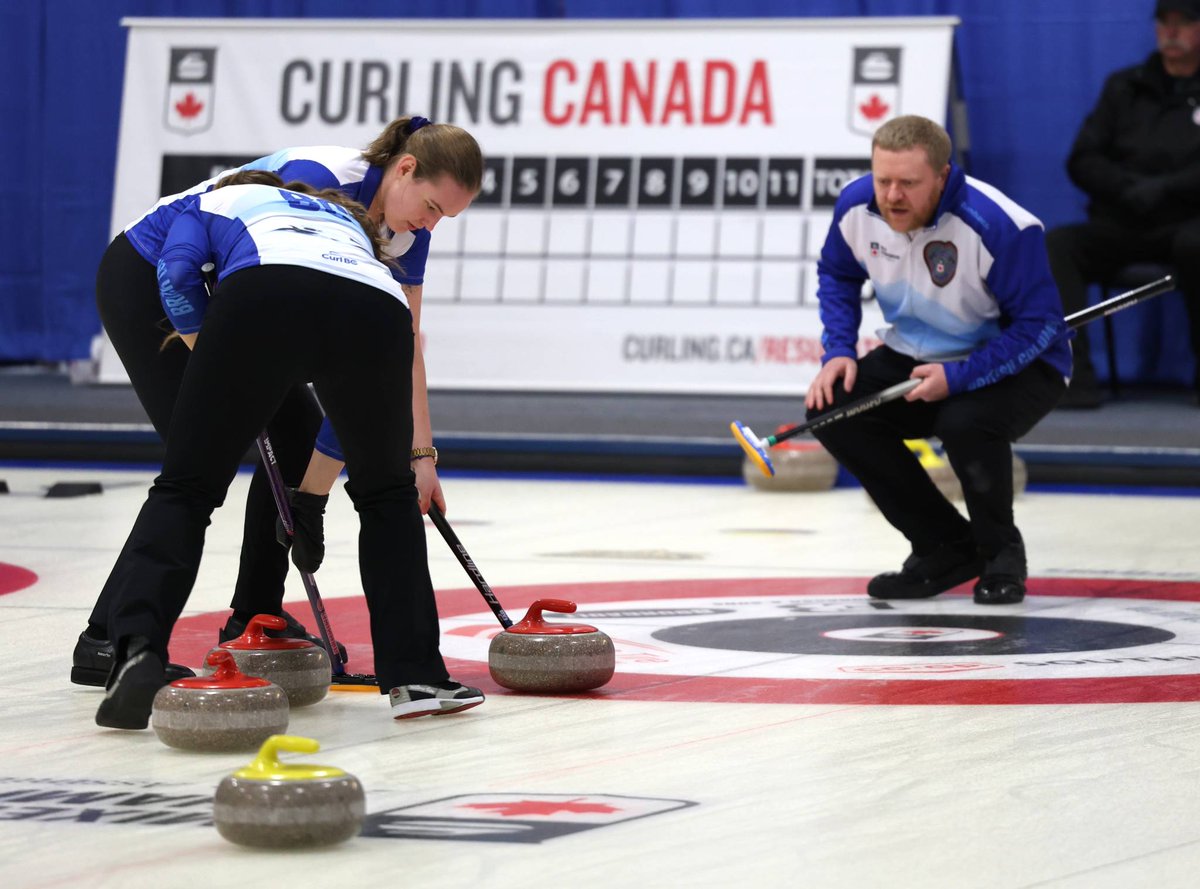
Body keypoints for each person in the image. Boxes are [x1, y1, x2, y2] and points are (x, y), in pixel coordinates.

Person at [74, 116, 474, 686]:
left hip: (249, 296)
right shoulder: (318, 175)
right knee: (199, 462)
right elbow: (210, 259)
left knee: (291, 440)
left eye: (445, 218)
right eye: (433, 207)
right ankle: (109, 640)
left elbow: (392, 359)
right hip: (156, 275)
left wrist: (418, 456)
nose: (432, 224)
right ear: (405, 168)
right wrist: (211, 354)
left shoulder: (410, 230)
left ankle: (253, 613)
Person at [804, 115, 1070, 606]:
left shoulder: (1000, 226)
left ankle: (1000, 556)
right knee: (832, 409)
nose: (892, 196)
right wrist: (838, 349)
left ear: (943, 177)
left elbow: (1041, 327)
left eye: (908, 183)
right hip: (918, 354)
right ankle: (944, 547)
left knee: (965, 420)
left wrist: (961, 376)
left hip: (1022, 363)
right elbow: (836, 274)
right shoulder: (856, 207)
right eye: (883, 180)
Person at [1046, 0, 1200, 408]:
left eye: (1183, 23)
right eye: (1164, 23)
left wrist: (1166, 188)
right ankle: (1075, 380)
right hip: (1124, 217)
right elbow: (1082, 158)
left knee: (1196, 244)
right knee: (1057, 246)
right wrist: (1126, 187)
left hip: (1187, 222)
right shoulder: (1124, 87)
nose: (1172, 32)